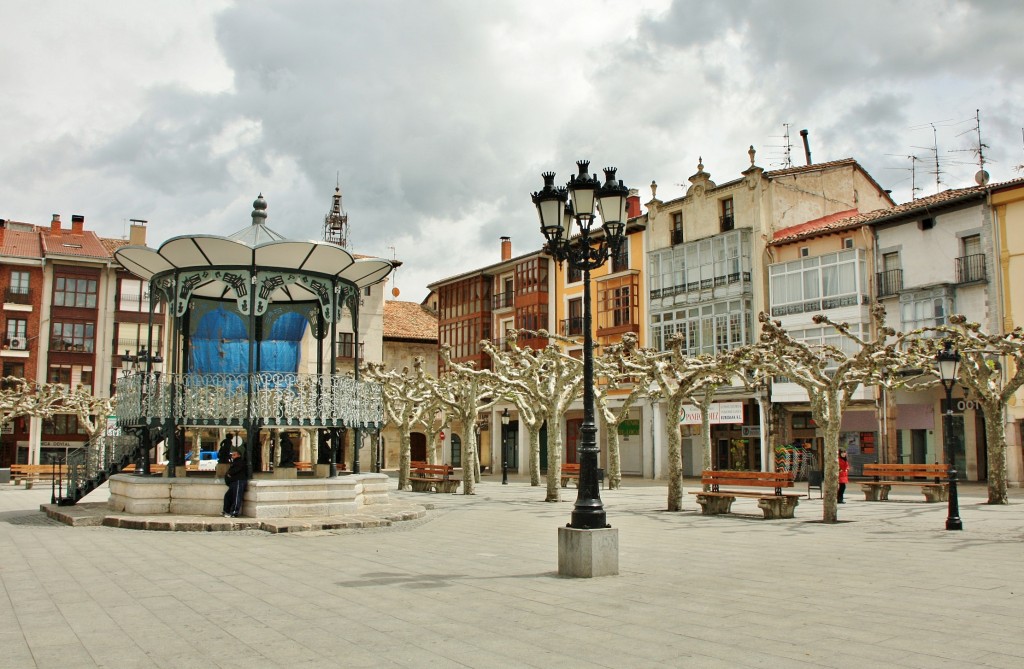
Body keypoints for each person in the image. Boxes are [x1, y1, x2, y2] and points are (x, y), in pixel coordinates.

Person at [223, 447, 249, 518]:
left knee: (237, 497)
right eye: (232, 455)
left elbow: (234, 470)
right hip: (233, 482)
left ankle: (234, 512)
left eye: (234, 455)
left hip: (239, 481)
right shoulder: (234, 462)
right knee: (228, 496)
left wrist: (229, 473)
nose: (232, 456)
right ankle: (226, 511)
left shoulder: (240, 462)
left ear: (239, 455)